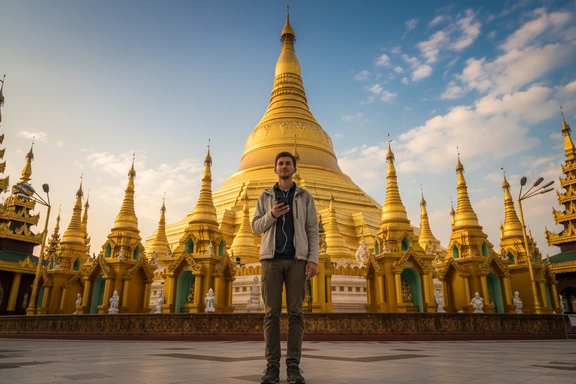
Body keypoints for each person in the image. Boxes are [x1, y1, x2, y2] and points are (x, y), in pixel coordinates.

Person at [252, 151, 319, 384]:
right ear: (275, 168)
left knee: (296, 313)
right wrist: (271, 214)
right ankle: (271, 367)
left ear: (294, 168)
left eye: (288, 164)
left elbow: (312, 230)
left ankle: (293, 367)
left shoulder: (305, 197)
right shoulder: (265, 196)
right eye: (280, 164)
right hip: (270, 260)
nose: (284, 167)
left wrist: (313, 259)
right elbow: (256, 227)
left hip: (296, 260)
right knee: (271, 314)